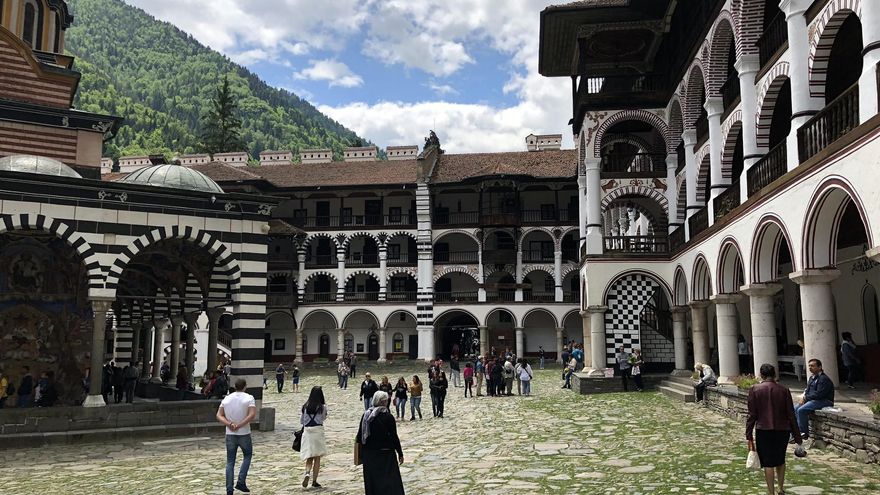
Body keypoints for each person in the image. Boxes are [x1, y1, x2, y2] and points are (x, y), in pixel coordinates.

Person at [746, 364, 802, 495]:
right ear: (774, 374)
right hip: (782, 429)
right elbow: (791, 414)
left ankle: (770, 492)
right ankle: (780, 488)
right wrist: (797, 436)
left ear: (761, 374)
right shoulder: (784, 390)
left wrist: (748, 433)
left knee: (768, 462)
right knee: (780, 459)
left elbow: (752, 414)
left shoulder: (754, 389)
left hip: (763, 429)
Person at [356, 391, 405, 495]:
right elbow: (394, 437)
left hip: (369, 454)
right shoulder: (388, 417)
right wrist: (400, 453)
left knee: (373, 482)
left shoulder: (366, 416)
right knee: (389, 482)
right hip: (385, 454)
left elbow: (360, 436)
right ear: (384, 402)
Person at [216, 378, 256, 495]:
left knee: (230, 461)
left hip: (230, 433)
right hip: (244, 432)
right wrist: (240, 424)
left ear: (235, 386)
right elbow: (252, 414)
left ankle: (229, 489)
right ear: (245, 386)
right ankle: (241, 481)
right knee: (247, 456)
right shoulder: (249, 398)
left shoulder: (227, 399)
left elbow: (219, 415)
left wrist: (229, 424)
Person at [793, 358, 834, 441]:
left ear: (819, 367)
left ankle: (803, 432)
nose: (810, 367)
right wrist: (804, 398)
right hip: (813, 400)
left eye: (812, 366)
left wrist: (806, 398)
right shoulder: (812, 378)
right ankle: (795, 432)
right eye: (809, 366)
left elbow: (819, 394)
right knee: (795, 408)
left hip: (824, 401)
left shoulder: (823, 379)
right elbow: (808, 391)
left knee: (802, 410)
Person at [300, 386, 328, 488]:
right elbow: (324, 418)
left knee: (309, 456)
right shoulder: (322, 407)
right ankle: (314, 481)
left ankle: (307, 472)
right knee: (317, 457)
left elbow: (302, 421)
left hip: (307, 432)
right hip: (318, 432)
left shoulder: (305, 406)